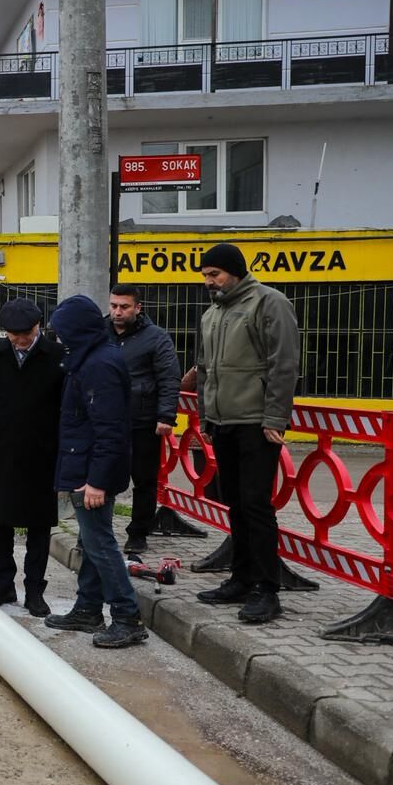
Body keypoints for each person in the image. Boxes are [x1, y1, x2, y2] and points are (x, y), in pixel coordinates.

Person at [193, 242, 300, 624]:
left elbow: (283, 364)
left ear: (234, 271)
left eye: (214, 274)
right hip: (223, 423)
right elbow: (205, 370)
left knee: (256, 505)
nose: (208, 282)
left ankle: (266, 590)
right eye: (205, 275)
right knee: (234, 503)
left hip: (256, 424)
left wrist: (275, 418)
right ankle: (239, 579)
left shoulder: (269, 303)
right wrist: (206, 417)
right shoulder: (212, 314)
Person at [43, 295, 146, 648]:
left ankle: (126, 616)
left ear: (78, 330)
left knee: (100, 544)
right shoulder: (88, 358)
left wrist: (96, 481)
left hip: (92, 472)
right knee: (90, 542)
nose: (58, 338)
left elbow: (110, 429)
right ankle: (88, 609)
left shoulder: (98, 365)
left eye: (62, 331)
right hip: (85, 465)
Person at [0, 298, 64, 617]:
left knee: (39, 525)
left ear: (38, 328)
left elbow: (64, 408)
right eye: (14, 334)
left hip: (42, 455)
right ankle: (2, 586)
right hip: (0, 453)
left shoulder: (55, 356)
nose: (21, 340)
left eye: (26, 333)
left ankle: (35, 590)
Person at [108, 284, 182, 554]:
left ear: (138, 308)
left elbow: (169, 377)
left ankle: (138, 533)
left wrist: (166, 416)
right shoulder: (100, 335)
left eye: (124, 306)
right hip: (107, 422)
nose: (118, 311)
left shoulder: (156, 337)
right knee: (102, 479)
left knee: (144, 481)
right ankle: (95, 535)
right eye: (114, 305)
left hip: (143, 421)